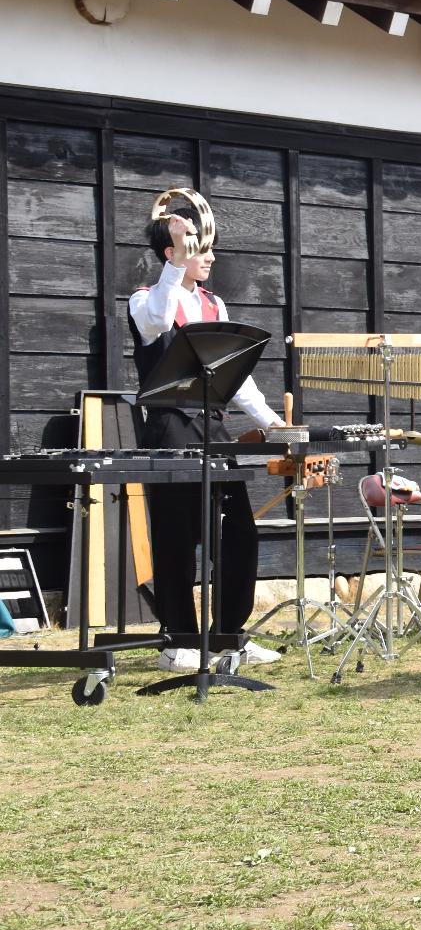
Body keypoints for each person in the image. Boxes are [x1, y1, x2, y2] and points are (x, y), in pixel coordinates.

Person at [129, 201, 288, 672]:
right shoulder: (144, 296)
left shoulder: (215, 303)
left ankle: (229, 636)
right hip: (168, 423)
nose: (211, 258)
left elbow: (235, 377)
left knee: (238, 530)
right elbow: (157, 321)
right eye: (203, 249)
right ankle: (177, 641)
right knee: (177, 534)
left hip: (213, 424)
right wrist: (177, 258)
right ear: (172, 250)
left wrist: (269, 420)